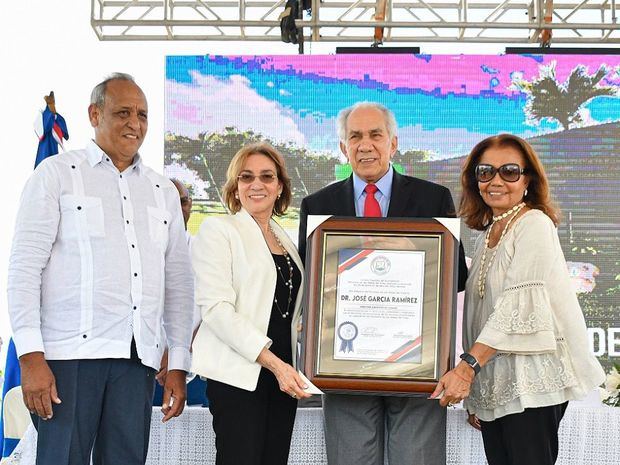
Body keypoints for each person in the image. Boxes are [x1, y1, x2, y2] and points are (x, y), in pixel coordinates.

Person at [7, 73, 194, 465]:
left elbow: (178, 282)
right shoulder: (55, 175)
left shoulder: (163, 192)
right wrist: (30, 357)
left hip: (136, 360)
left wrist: (177, 363)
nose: (135, 123)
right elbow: (25, 267)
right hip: (66, 358)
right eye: (123, 112)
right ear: (95, 114)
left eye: (142, 114)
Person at [298, 101, 468, 465]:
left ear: (393, 143)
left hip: (417, 368)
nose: (365, 145)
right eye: (354, 136)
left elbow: (457, 277)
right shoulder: (318, 205)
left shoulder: (432, 198)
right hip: (345, 369)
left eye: (376, 135)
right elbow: (311, 288)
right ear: (343, 148)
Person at [433, 134, 605, 465]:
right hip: (500, 385)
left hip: (534, 384)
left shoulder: (534, 224)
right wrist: (479, 394)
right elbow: (479, 317)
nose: (496, 180)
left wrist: (467, 370)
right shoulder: (489, 233)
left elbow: (517, 307)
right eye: (485, 172)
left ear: (528, 179)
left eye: (510, 171)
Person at [191, 143, 311, 465]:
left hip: (283, 376)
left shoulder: (283, 238)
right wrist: (275, 364)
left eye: (266, 176)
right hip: (240, 376)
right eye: (246, 177)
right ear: (235, 186)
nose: (256, 184)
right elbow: (216, 309)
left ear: (280, 186)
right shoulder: (220, 230)